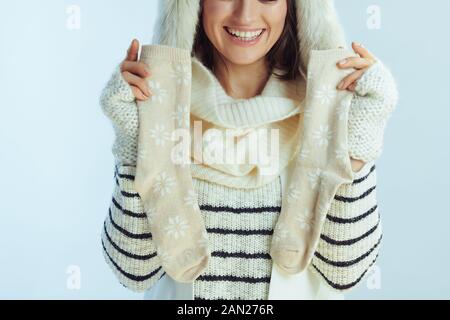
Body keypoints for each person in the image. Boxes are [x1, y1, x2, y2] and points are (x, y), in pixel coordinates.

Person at [99, 0, 398, 300]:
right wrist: (135, 136)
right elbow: (133, 269)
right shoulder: (162, 109)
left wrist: (362, 131)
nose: (246, 15)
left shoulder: (326, 112)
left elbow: (345, 270)